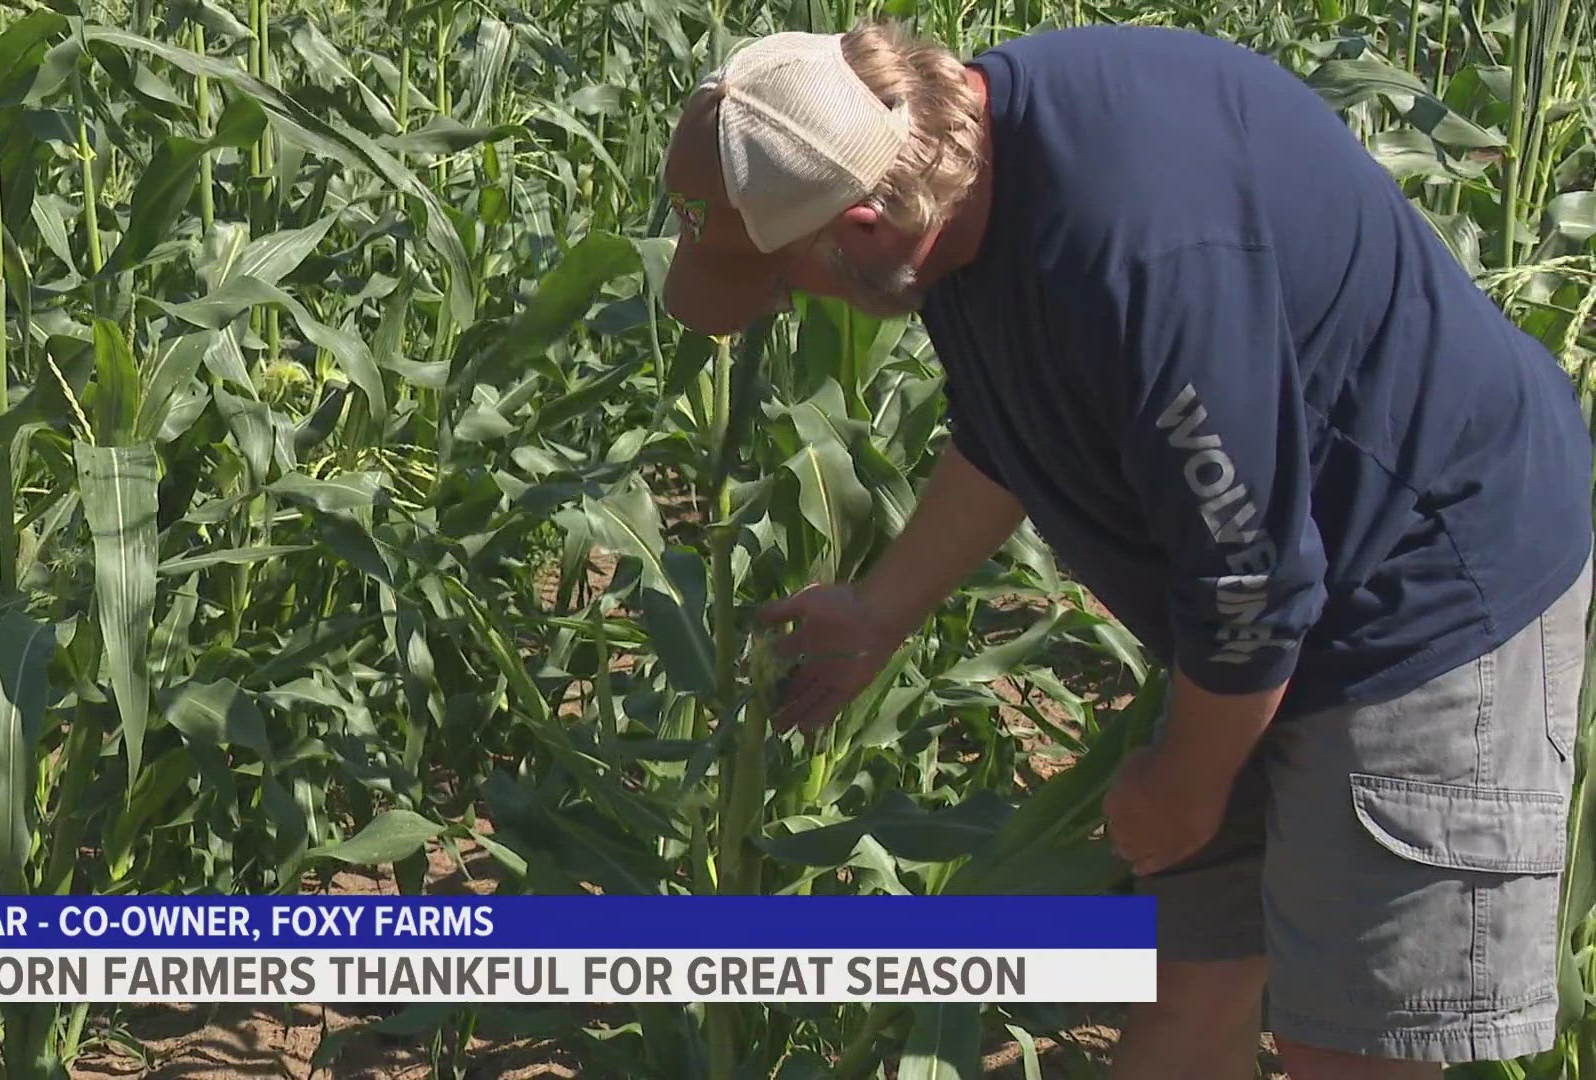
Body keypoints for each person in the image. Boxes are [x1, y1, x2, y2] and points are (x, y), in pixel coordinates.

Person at [657, 18, 1596, 1080]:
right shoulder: (960, 175)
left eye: (784, 278)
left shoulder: (1137, 253)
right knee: (1187, 980)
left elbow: (1255, 587)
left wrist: (1186, 785)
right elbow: (1012, 426)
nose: (787, 301)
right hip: (1261, 612)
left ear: (865, 228)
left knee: (1354, 1042)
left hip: (1418, 591)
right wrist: (882, 610)